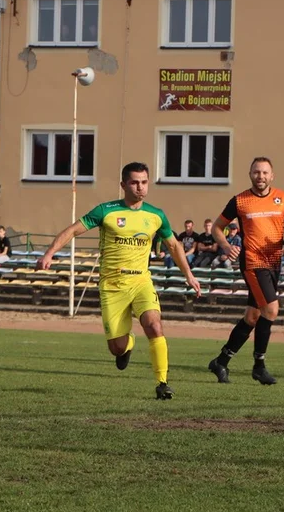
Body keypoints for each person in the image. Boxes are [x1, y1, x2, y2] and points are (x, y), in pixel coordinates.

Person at [37, 162, 200, 399]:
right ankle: (128, 345)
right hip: (112, 286)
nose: (140, 187)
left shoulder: (156, 215)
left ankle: (162, 382)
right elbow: (73, 230)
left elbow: (173, 245)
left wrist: (189, 275)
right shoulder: (106, 211)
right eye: (134, 182)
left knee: (154, 325)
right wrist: (49, 253)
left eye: (144, 182)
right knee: (117, 348)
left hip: (141, 282)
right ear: (123, 184)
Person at [207, 157, 284, 386]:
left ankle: (221, 361)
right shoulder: (240, 201)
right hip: (253, 262)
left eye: (265, 172)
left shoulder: (283, 198)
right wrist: (227, 246)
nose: (261, 176)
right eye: (257, 172)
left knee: (253, 316)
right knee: (271, 310)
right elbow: (218, 227)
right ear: (250, 174)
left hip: (274, 262)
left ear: (272, 175)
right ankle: (259, 366)